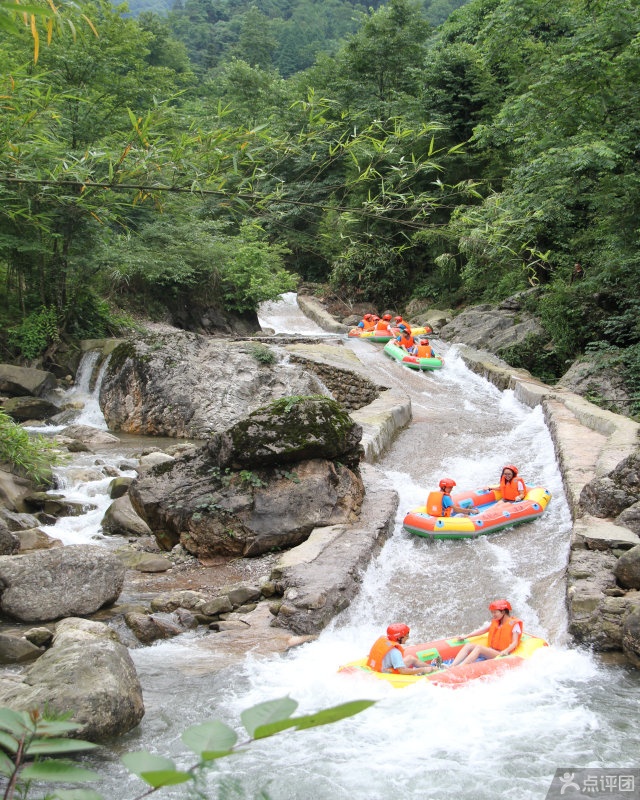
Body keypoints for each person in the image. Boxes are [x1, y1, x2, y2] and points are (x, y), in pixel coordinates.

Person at [448, 599, 523, 667]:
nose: (493, 615)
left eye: (495, 612)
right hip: (493, 650)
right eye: (492, 612)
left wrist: (506, 651)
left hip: (502, 654)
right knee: (469, 645)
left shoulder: (514, 624)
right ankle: (452, 665)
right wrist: (467, 636)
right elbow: (483, 631)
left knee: (479, 648)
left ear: (503, 612)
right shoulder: (497, 623)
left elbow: (515, 642)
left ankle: (460, 667)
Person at [367, 623, 438, 675]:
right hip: (385, 673)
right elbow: (402, 671)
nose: (408, 638)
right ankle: (432, 669)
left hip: (377, 667)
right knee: (420, 670)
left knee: (410, 658)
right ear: (399, 638)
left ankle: (431, 667)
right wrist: (422, 670)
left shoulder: (382, 639)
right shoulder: (395, 652)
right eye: (406, 636)